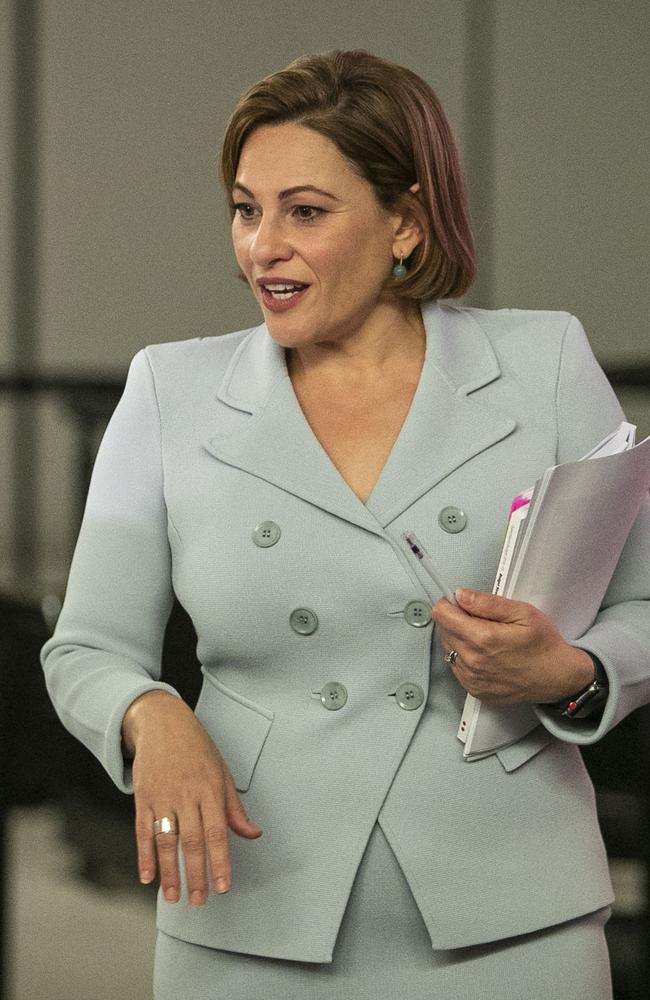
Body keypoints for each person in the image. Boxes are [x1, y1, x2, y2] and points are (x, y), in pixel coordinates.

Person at [40, 48, 650, 1000]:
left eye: (305, 212)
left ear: (404, 222)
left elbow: (645, 602)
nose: (262, 247)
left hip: (510, 909)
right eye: (247, 209)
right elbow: (84, 647)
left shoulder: (546, 365)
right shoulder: (170, 391)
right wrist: (149, 714)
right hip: (250, 898)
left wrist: (571, 673)